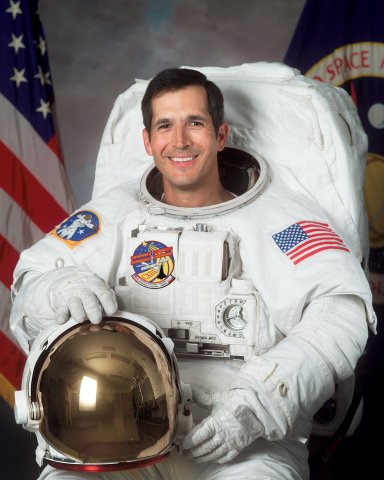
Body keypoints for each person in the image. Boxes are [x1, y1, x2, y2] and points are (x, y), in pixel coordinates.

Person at [10, 65, 376, 480]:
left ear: (220, 135)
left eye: (195, 123)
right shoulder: (113, 213)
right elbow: (31, 280)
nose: (179, 140)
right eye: (165, 125)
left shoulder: (283, 220)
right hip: (116, 436)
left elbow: (340, 313)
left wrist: (258, 404)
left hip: (243, 441)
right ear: (147, 141)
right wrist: (59, 286)